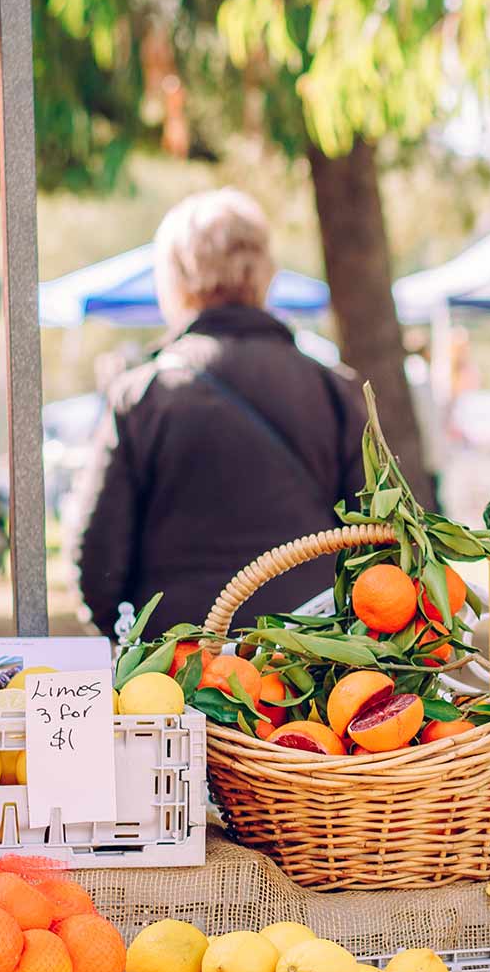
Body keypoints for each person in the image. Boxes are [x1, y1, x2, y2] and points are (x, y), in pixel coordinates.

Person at [65, 189, 367, 638]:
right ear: (266, 273)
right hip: (310, 671)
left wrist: (134, 643)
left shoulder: (143, 395)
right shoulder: (335, 391)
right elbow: (375, 542)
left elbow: (97, 564)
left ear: (176, 278)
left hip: (181, 668)